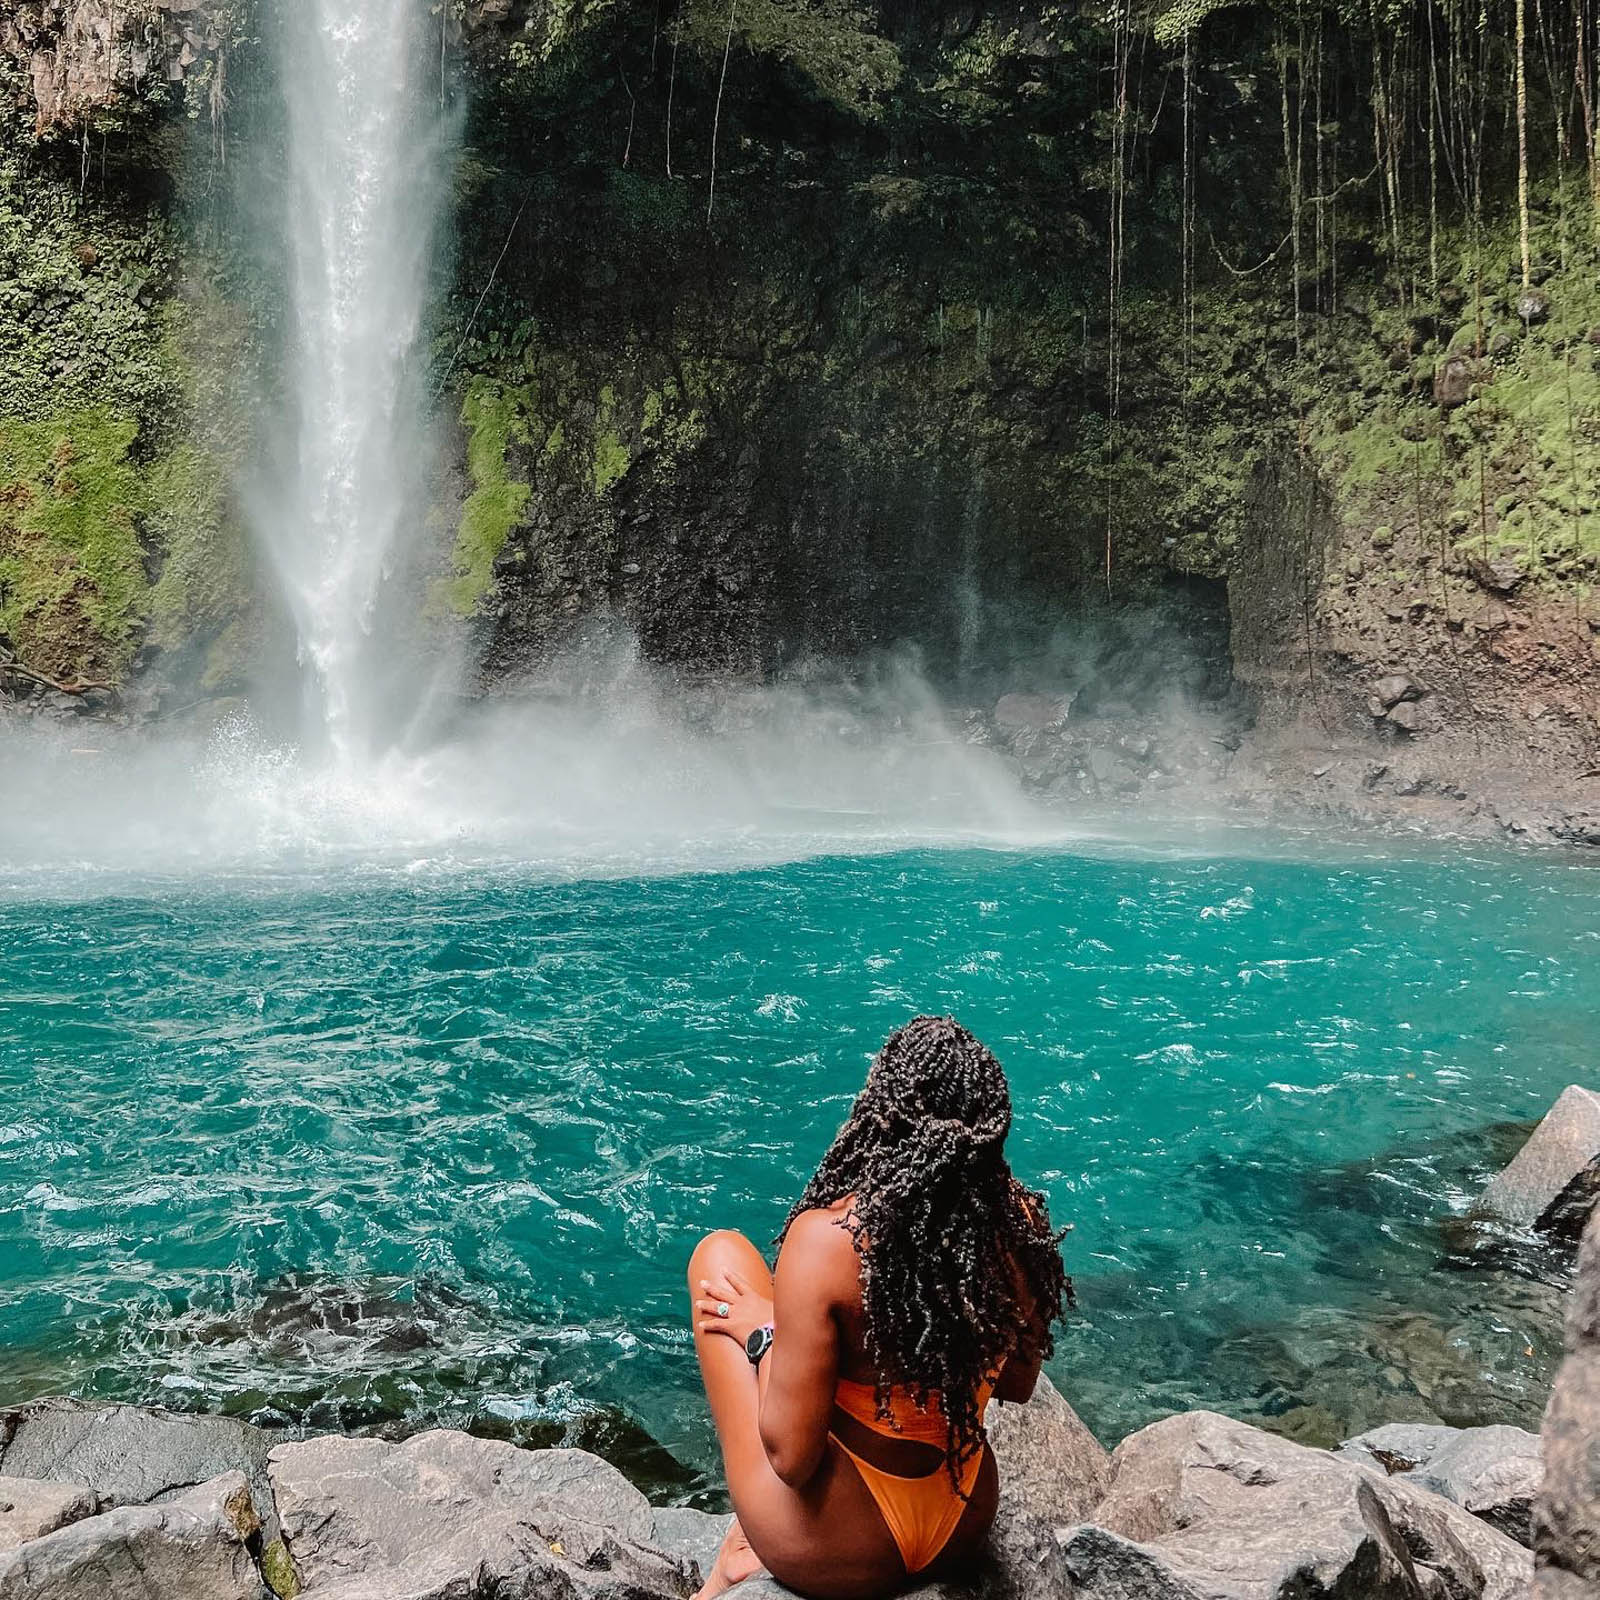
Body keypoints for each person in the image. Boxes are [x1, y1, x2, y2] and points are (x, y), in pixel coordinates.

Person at [687, 1015, 1071, 1599]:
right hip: (960, 1524)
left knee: (720, 1257)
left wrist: (765, 1335)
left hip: (841, 1553)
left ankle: (745, 1553)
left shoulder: (828, 1239)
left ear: (882, 1114)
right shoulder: (1022, 1225)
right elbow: (1018, 1385)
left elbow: (790, 1458)